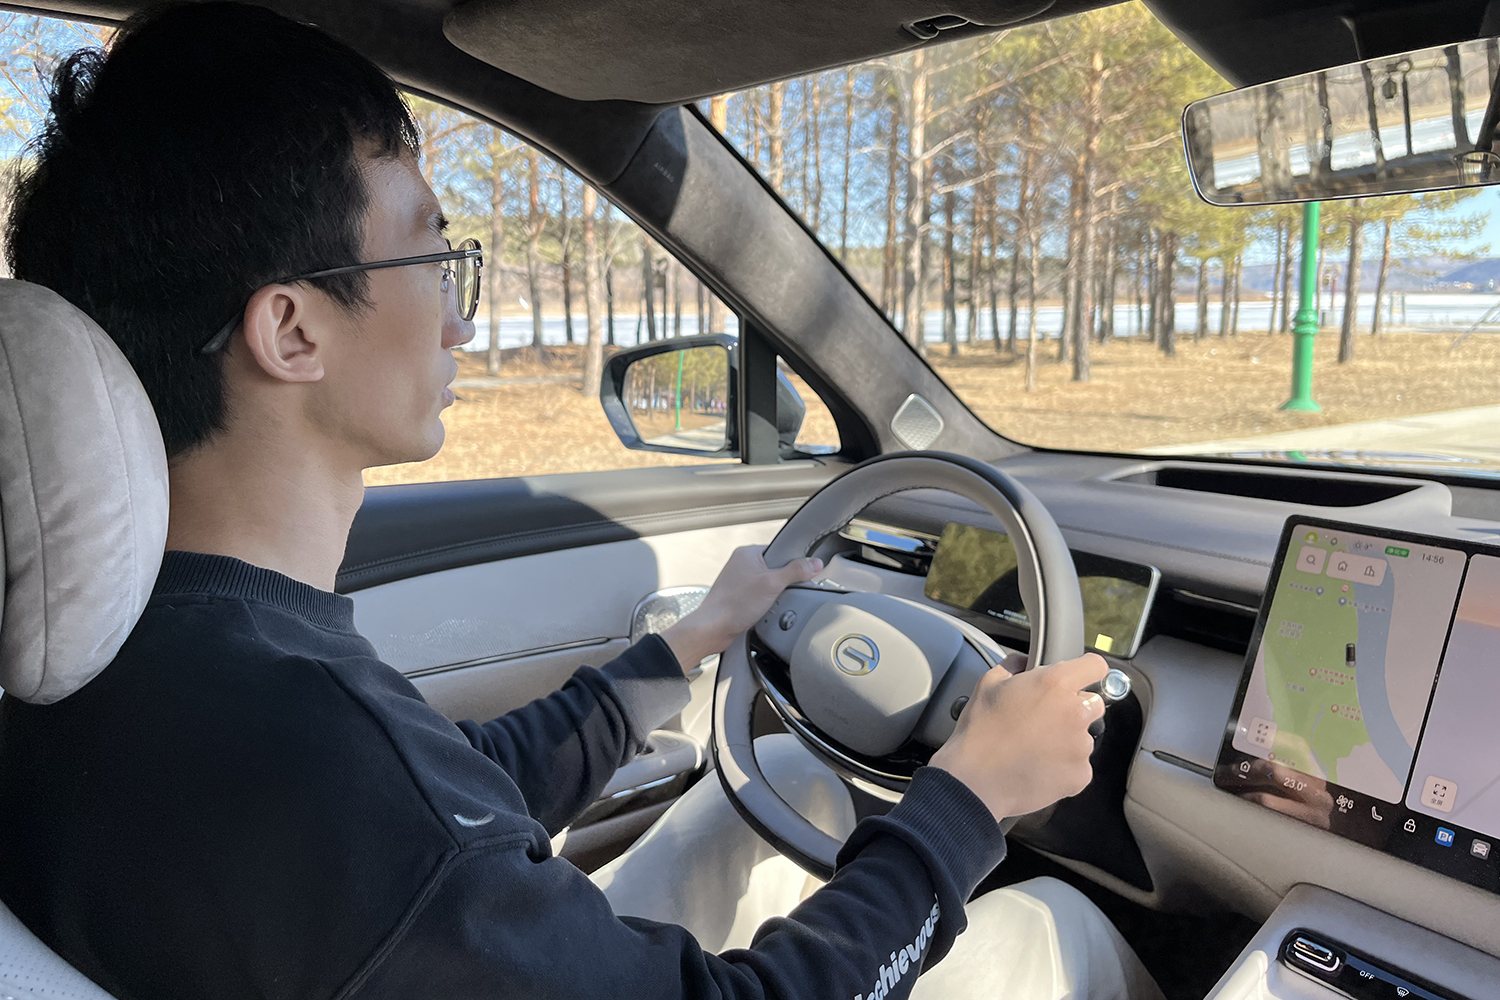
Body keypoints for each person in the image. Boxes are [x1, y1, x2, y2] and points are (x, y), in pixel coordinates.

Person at [0, 5, 1161, 999]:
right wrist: (970, 798)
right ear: (293, 330)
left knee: (804, 784)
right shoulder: (309, 754)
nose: (461, 320)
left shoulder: (144, 665)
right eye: (433, 257)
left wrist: (689, 644)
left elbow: (449, 795)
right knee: (1056, 929)